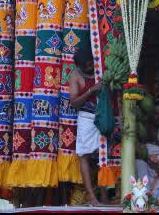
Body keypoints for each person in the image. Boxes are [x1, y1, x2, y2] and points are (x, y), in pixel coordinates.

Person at [67, 48, 106, 206]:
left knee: (105, 155)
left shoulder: (101, 69)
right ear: (80, 66)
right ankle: (91, 196)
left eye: (92, 64)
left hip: (103, 118)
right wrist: (91, 90)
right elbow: (74, 102)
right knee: (84, 156)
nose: (90, 68)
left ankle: (104, 196)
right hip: (86, 118)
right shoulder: (75, 76)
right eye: (87, 66)